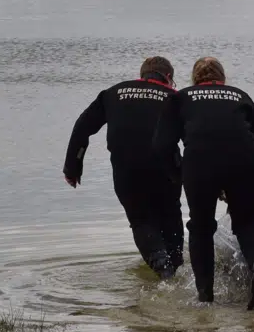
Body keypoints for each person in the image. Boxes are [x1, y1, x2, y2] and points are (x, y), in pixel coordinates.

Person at [152, 57, 254, 309]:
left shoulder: (180, 97)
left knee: (201, 228)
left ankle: (205, 297)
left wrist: (179, 174)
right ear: (222, 77)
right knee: (248, 224)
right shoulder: (239, 95)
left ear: (195, 79)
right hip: (244, 161)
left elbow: (161, 145)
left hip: (200, 162)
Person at [63, 56, 185, 278]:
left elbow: (83, 127)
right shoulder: (175, 97)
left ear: (142, 75)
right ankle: (176, 268)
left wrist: (72, 168)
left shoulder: (113, 93)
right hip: (165, 170)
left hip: (127, 171)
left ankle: (162, 266)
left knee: (140, 220)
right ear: (168, 78)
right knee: (170, 215)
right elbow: (197, 135)